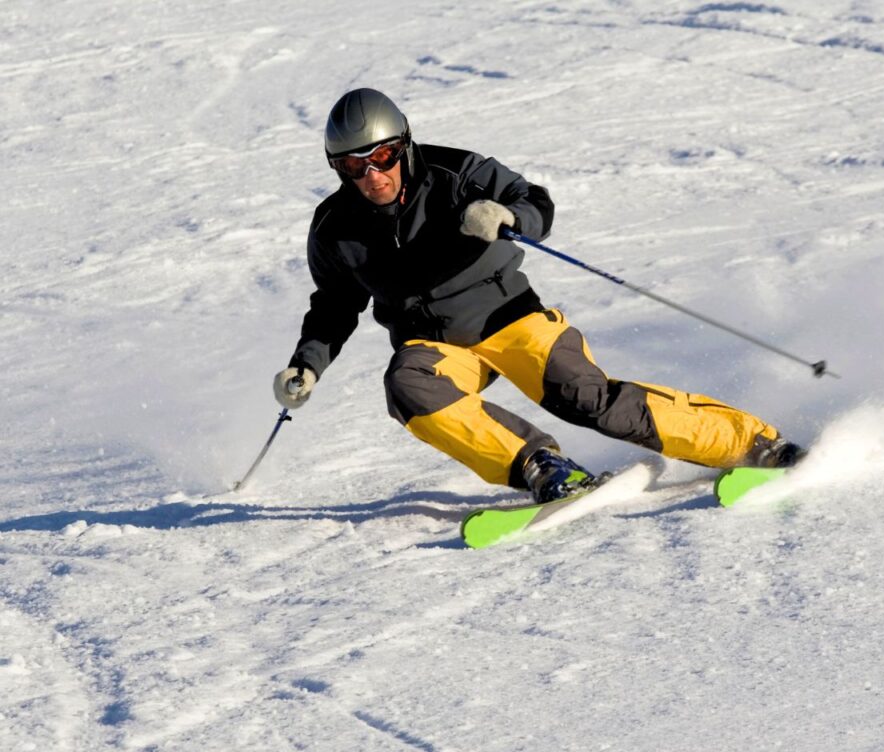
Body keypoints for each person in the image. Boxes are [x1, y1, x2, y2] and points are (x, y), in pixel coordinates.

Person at [274, 88, 803, 503]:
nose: (372, 175)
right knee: (408, 387)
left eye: (382, 156)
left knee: (587, 399)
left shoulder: (455, 172)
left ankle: (751, 443)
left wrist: (508, 217)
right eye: (352, 166)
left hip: (509, 317)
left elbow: (532, 200)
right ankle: (539, 466)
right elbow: (336, 303)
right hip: (433, 343)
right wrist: (309, 363)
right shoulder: (333, 228)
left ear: (404, 145)